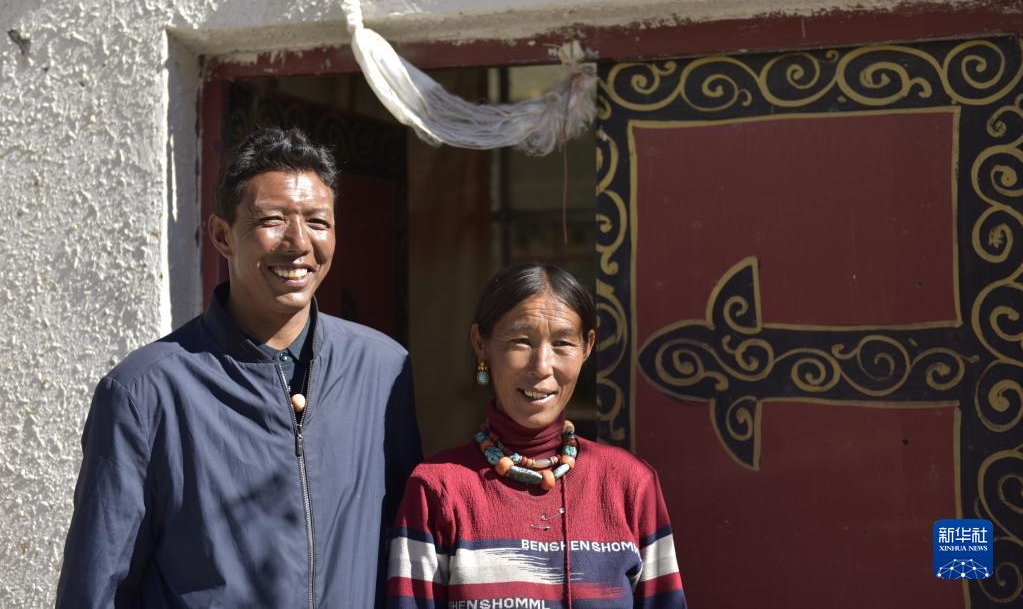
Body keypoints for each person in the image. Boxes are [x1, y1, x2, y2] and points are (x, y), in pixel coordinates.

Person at [57, 126, 421, 608]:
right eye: (272, 220)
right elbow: (95, 588)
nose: (299, 243)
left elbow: (407, 556)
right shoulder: (145, 392)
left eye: (318, 222)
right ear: (221, 235)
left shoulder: (382, 368)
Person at [387, 262, 686, 608]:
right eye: (520, 341)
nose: (542, 366)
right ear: (481, 344)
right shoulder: (437, 490)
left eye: (562, 343)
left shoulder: (630, 485)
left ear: (587, 347)